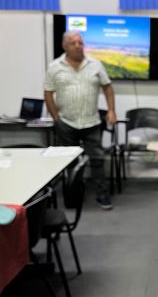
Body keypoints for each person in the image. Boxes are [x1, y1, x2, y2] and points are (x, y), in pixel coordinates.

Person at [44, 31, 117, 210]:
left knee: (97, 159)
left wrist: (111, 110)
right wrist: (56, 118)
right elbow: (48, 93)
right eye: (73, 43)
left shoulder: (95, 65)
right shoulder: (55, 67)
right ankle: (74, 196)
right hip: (66, 124)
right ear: (65, 46)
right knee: (71, 162)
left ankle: (102, 195)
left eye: (80, 43)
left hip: (91, 122)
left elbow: (107, 88)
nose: (78, 46)